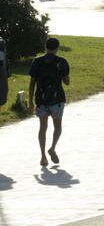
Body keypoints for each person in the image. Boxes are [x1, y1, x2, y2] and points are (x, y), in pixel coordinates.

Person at [27, 37, 70, 167]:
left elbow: (32, 83)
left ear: (45, 47)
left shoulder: (37, 61)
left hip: (41, 100)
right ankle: (52, 148)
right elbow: (67, 82)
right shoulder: (62, 62)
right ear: (57, 48)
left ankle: (43, 157)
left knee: (42, 128)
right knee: (57, 127)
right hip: (57, 100)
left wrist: (30, 102)